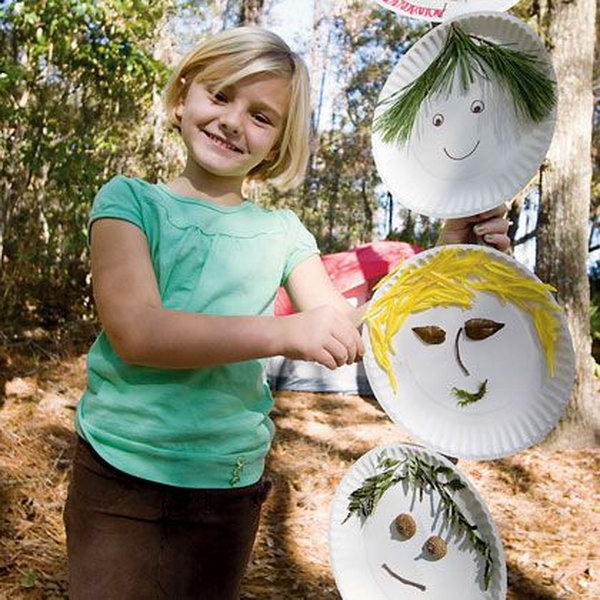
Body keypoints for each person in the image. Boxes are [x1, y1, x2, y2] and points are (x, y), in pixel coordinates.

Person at [63, 26, 511, 600]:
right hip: (119, 473)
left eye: (261, 115)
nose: (232, 120)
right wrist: (284, 333)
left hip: (226, 486)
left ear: (276, 143)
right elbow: (137, 332)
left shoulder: (282, 233)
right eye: (220, 95)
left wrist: (450, 254)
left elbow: (346, 329)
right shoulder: (129, 202)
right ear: (182, 97)